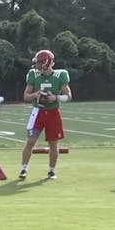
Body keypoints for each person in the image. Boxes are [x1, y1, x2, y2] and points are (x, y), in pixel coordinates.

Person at [19, 49, 72, 180]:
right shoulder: (33, 75)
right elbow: (26, 96)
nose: (36, 65)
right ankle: (24, 169)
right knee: (30, 141)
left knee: (53, 144)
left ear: (46, 63)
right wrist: (35, 95)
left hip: (53, 113)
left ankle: (51, 170)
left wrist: (56, 97)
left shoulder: (60, 75)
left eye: (38, 62)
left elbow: (69, 96)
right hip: (37, 112)